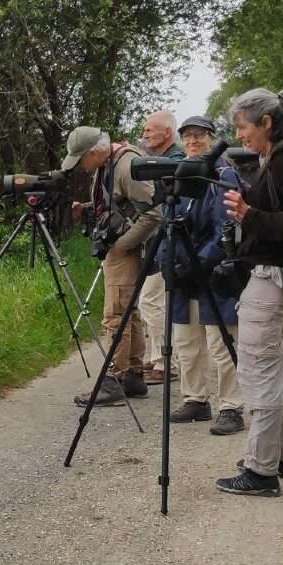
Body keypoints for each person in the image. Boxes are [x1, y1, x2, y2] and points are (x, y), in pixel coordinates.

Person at [217, 86, 283, 497]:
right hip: (275, 274)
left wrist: (251, 215)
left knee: (259, 371)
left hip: (272, 276)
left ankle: (261, 472)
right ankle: (281, 456)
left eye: (243, 127)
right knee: (274, 372)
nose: (240, 135)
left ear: (265, 122)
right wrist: (253, 205)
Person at [65, 126, 163, 407]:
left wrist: (122, 245)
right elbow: (119, 203)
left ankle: (112, 380)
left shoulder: (126, 165)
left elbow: (154, 214)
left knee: (115, 314)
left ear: (94, 152)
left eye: (81, 160)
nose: (81, 167)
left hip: (125, 249)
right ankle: (133, 375)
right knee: (128, 312)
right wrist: (86, 208)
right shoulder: (110, 162)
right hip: (120, 245)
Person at [162, 116, 245, 435]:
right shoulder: (180, 174)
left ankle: (231, 406)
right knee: (186, 342)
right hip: (184, 276)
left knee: (222, 343)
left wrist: (199, 262)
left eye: (199, 135)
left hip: (213, 274)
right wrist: (168, 262)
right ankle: (196, 399)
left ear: (212, 138)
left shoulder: (223, 175)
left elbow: (226, 228)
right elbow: (167, 221)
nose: (193, 141)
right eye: (187, 136)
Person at [137, 110, 186, 384]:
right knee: (151, 300)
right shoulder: (165, 159)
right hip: (160, 237)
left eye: (149, 130)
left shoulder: (173, 161)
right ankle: (156, 356)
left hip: (168, 238)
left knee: (151, 301)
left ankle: (164, 363)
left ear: (167, 132)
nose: (144, 135)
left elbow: (160, 200)